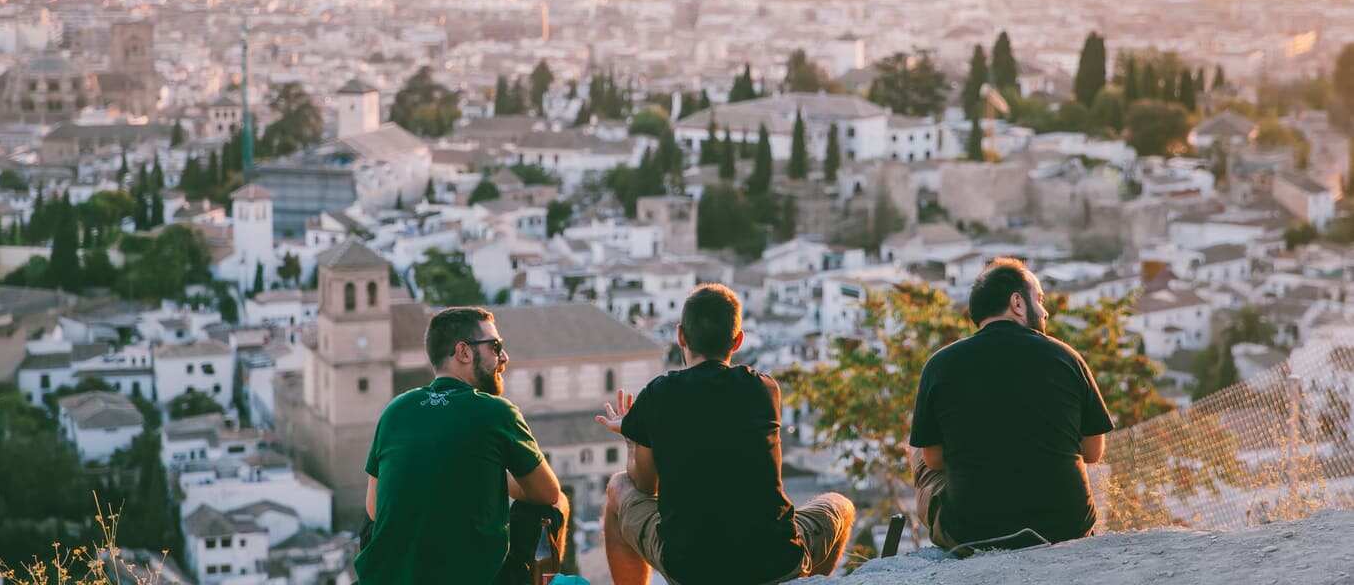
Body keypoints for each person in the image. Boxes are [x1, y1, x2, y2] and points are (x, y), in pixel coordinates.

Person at [598, 283, 854, 585]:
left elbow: (644, 485)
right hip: (776, 561)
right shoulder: (764, 389)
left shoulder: (659, 395)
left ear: (681, 335)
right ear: (738, 341)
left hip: (690, 569)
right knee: (841, 506)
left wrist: (633, 440)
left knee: (618, 486)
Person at [908, 258, 1114, 551]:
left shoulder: (939, 365)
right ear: (1017, 303)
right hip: (1067, 527)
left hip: (972, 532)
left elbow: (934, 460)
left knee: (918, 450)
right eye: (1039, 299)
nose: (1045, 311)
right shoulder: (1065, 357)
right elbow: (1093, 452)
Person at [355, 306, 569, 584]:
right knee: (557, 503)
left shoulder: (395, 410)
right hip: (476, 577)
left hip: (387, 576)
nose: (504, 357)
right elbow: (547, 493)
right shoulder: (497, 412)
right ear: (464, 352)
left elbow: (374, 509)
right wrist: (491, 477)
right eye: (495, 346)